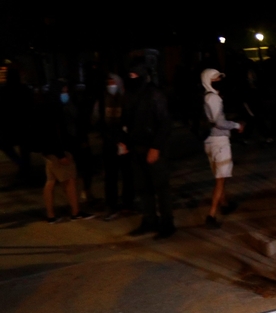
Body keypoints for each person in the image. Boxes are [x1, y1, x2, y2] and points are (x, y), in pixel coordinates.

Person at [122, 62, 175, 239]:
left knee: (161, 187)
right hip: (136, 148)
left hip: (153, 148)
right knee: (142, 188)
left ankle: (167, 224)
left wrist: (156, 147)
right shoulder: (129, 95)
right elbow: (127, 121)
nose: (132, 79)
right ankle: (150, 220)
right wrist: (124, 142)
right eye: (130, 76)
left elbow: (165, 123)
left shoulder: (154, 95)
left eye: (136, 76)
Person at [38, 85, 91, 222]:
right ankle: (75, 212)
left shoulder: (44, 107)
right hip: (58, 152)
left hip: (49, 152)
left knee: (50, 181)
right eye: (63, 91)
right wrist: (61, 154)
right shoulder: (54, 109)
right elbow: (54, 134)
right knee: (70, 181)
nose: (65, 94)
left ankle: (51, 215)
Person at [202, 68, 244, 228]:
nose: (219, 80)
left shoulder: (206, 97)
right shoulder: (214, 98)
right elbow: (219, 122)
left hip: (210, 142)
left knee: (221, 175)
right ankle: (211, 215)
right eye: (216, 78)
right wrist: (235, 125)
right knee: (220, 180)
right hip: (219, 142)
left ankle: (224, 204)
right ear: (209, 80)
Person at [98, 73, 135, 221]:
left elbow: (130, 121)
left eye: (113, 82)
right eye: (109, 82)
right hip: (109, 143)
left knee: (127, 175)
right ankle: (111, 205)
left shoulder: (125, 99)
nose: (111, 85)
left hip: (124, 143)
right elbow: (98, 120)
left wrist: (125, 140)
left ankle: (127, 203)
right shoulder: (102, 100)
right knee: (111, 176)